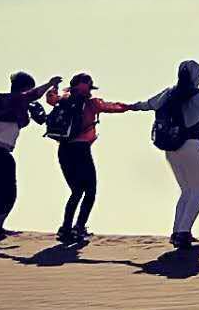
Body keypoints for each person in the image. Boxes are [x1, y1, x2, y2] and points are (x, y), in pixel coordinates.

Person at [132, 60, 199, 248]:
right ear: (195, 75)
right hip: (191, 145)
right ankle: (183, 233)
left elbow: (146, 105)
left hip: (170, 148)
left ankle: (177, 232)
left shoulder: (168, 93)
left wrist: (128, 106)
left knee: (186, 190)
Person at [45, 73, 137, 242]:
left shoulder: (63, 100)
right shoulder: (92, 104)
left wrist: (54, 87)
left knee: (76, 191)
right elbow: (112, 107)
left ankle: (65, 229)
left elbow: (50, 98)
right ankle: (79, 228)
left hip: (64, 149)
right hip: (81, 149)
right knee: (90, 190)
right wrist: (131, 106)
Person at [0, 72, 61, 237]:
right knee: (8, 191)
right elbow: (34, 94)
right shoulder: (19, 99)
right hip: (0, 152)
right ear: (25, 88)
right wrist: (50, 83)